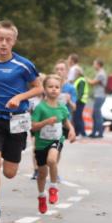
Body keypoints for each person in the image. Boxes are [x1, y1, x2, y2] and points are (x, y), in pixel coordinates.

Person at [0, 20, 41, 223]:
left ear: (14, 41)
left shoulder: (23, 65)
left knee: (9, 172)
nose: (4, 43)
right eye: (0, 39)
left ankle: (13, 153)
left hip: (18, 120)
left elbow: (38, 88)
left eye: (8, 39)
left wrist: (19, 98)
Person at [31, 75, 76, 214]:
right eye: (50, 87)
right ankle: (41, 196)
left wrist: (72, 130)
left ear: (60, 90)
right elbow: (33, 127)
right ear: (44, 89)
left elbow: (65, 120)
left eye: (57, 87)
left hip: (56, 140)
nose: (54, 90)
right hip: (41, 143)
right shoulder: (40, 108)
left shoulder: (62, 107)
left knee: (52, 160)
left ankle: (53, 187)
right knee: (42, 173)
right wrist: (45, 122)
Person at [87, 58, 108, 138]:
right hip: (98, 96)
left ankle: (100, 133)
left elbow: (92, 83)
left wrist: (86, 78)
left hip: (100, 96)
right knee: (95, 114)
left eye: (94, 64)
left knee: (97, 114)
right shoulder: (100, 73)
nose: (93, 65)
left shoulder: (101, 74)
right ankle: (94, 132)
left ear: (98, 65)